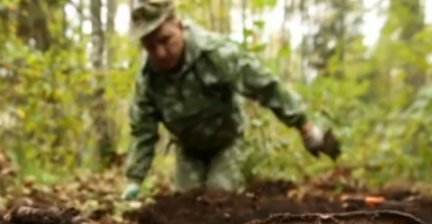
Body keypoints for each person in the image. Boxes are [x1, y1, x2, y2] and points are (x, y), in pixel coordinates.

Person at [122, 0, 340, 200]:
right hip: (189, 149)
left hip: (227, 142)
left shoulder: (216, 54)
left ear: (179, 26)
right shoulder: (149, 81)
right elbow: (143, 132)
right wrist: (134, 180)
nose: (160, 53)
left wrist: (304, 125)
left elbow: (265, 86)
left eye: (165, 40)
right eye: (151, 47)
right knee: (185, 204)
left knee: (219, 197)